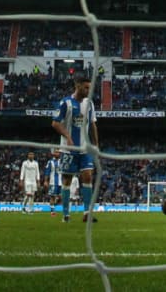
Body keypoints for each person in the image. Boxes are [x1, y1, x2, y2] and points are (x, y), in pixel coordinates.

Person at [51, 77, 99, 223]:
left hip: (84, 148)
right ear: (77, 86)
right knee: (67, 180)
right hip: (68, 149)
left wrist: (96, 145)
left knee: (88, 177)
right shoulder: (65, 103)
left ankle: (87, 213)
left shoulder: (89, 103)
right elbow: (55, 123)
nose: (88, 90)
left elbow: (92, 125)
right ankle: (66, 214)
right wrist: (68, 136)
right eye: (85, 87)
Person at [44, 149, 62, 216]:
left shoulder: (62, 161)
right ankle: (52, 212)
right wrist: (46, 181)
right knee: (52, 197)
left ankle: (54, 206)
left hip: (61, 182)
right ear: (53, 153)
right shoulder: (50, 162)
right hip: (53, 182)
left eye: (58, 152)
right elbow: (47, 172)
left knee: (61, 197)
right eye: (56, 152)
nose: (57, 153)